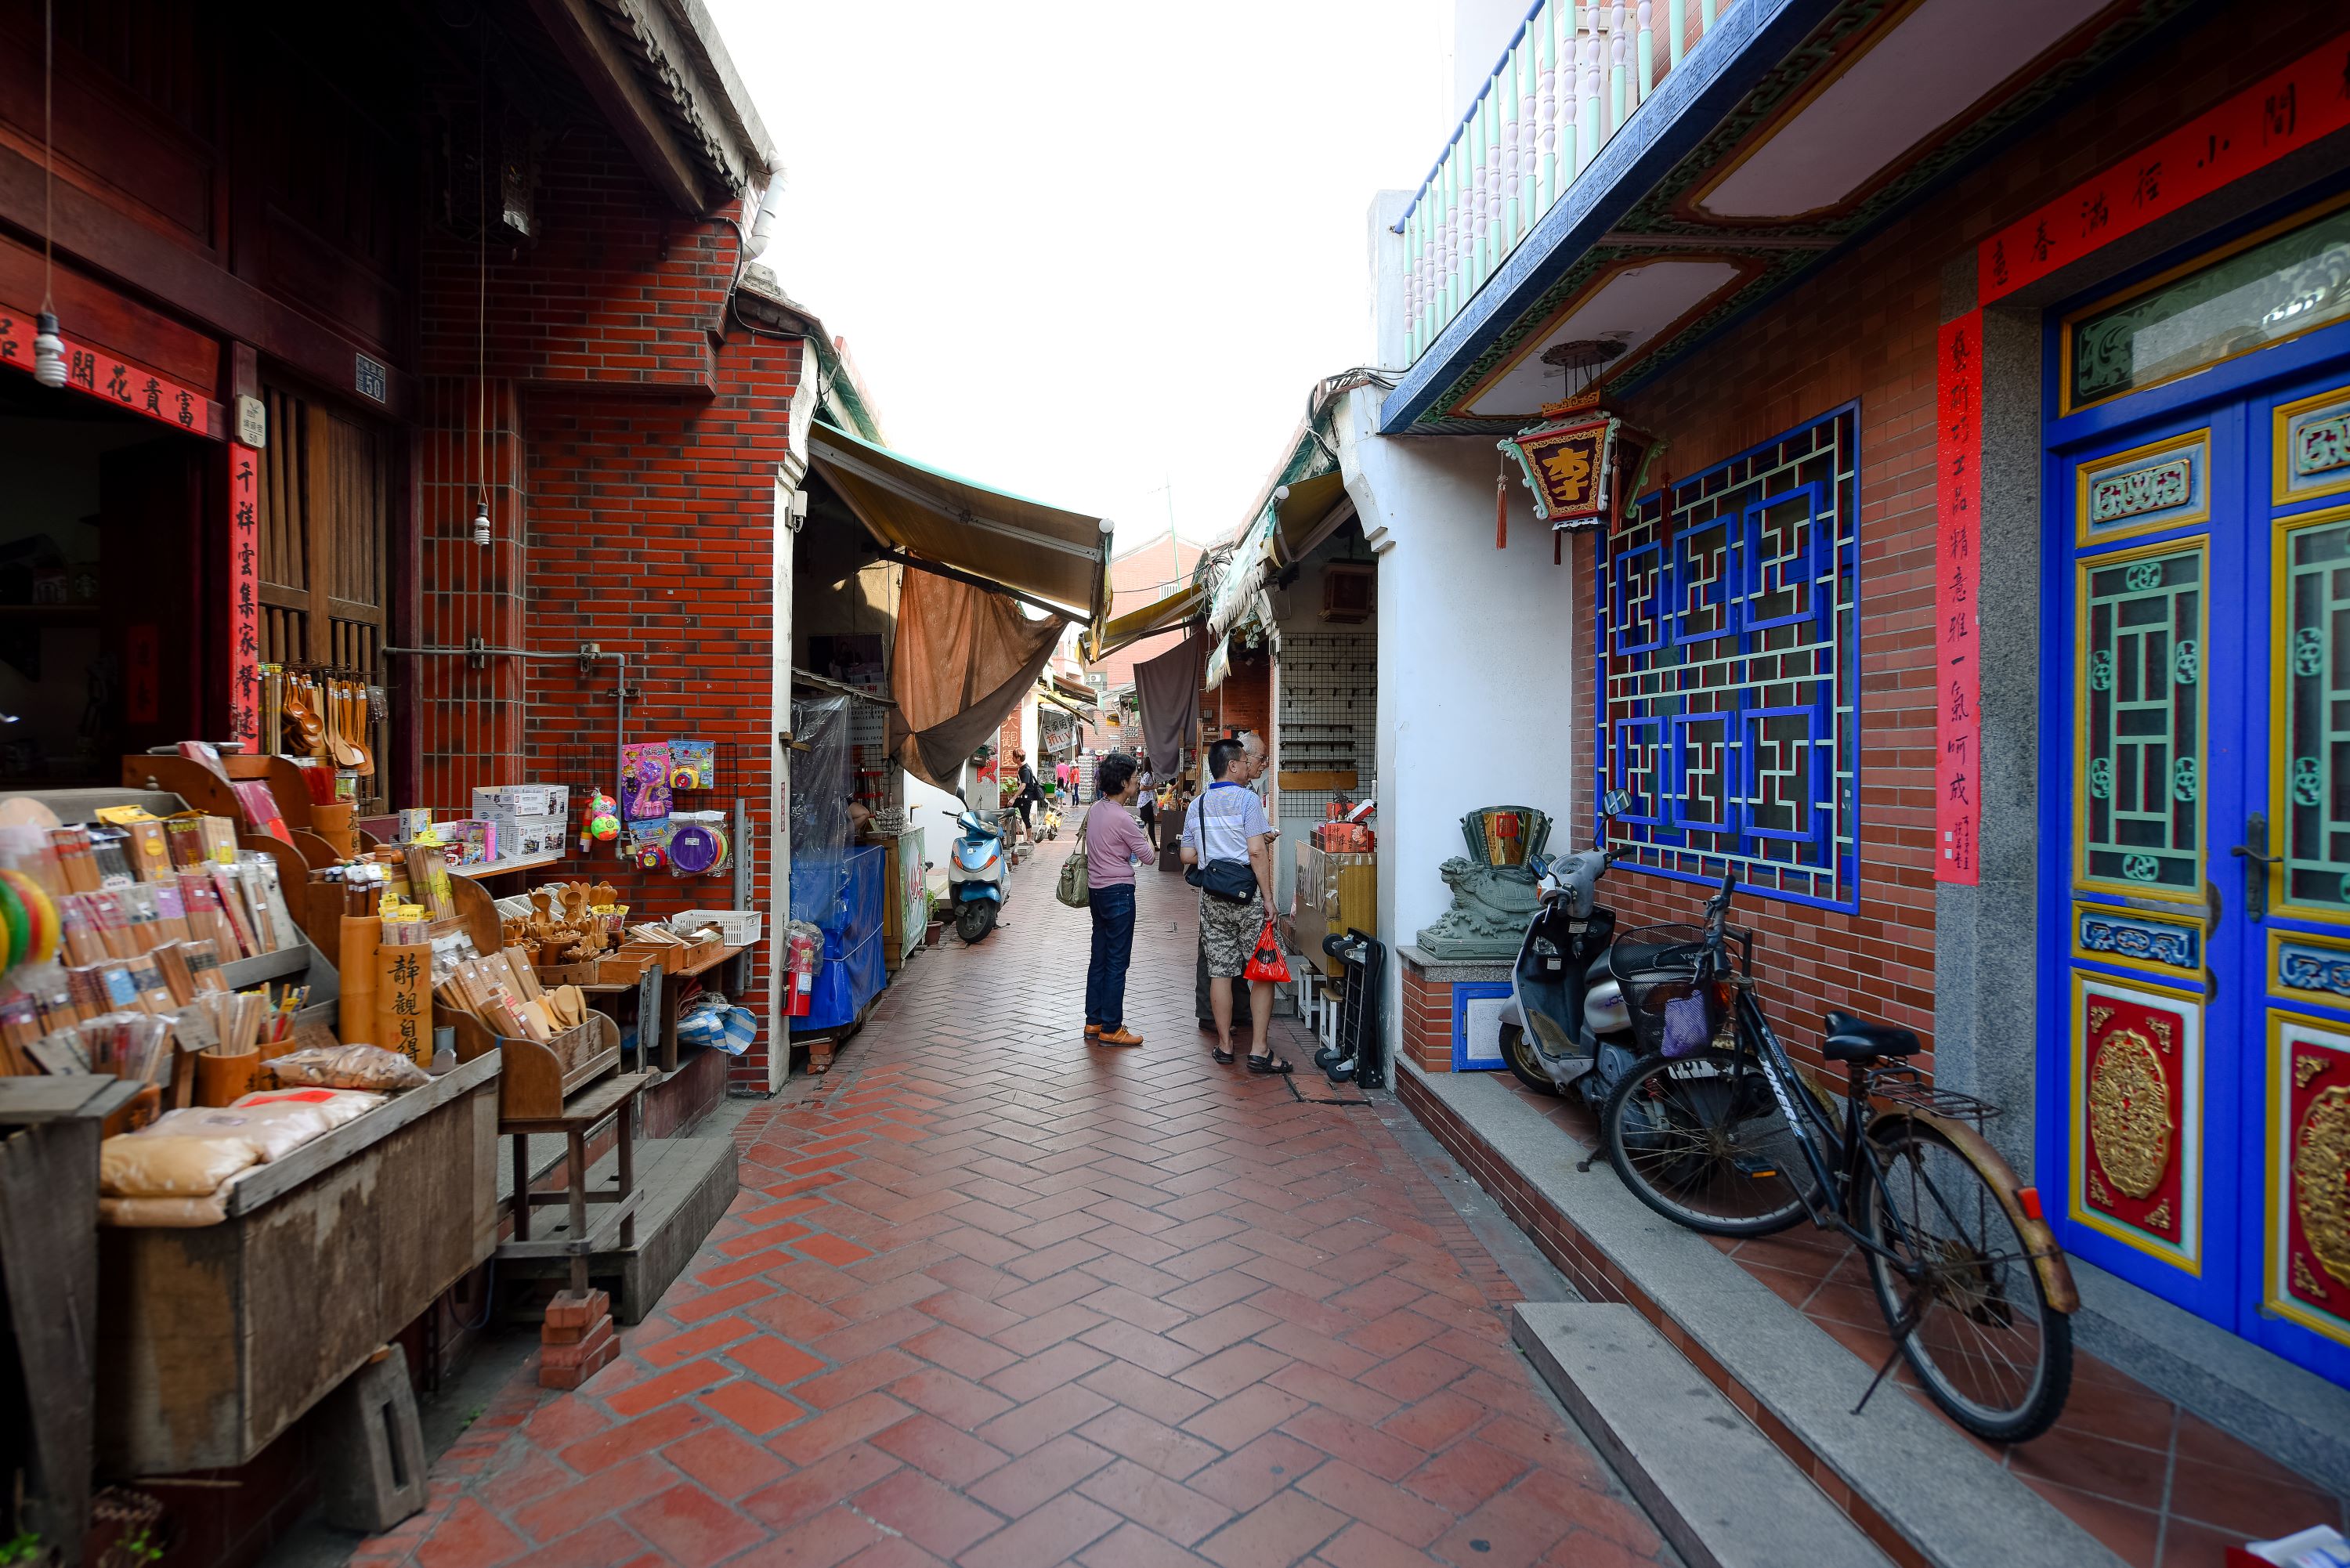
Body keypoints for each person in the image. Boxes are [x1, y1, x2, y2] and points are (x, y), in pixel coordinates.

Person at [1180, 737, 1288, 1074]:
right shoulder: (1248, 801)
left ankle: (1225, 1045)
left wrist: (1216, 851)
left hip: (1213, 897)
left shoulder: (1197, 805)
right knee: (1263, 971)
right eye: (1245, 761)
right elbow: (1256, 852)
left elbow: (1187, 856)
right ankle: (1259, 1050)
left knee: (1220, 973)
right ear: (1232, 765)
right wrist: (1269, 898)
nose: (1250, 767)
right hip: (1248, 896)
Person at [1082, 753, 1153, 1048]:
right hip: (1119, 893)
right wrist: (1144, 833)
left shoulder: (1096, 810)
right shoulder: (1124, 818)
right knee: (1117, 961)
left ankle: (1093, 1020)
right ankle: (1112, 1026)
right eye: (1134, 777)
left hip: (1097, 892)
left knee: (1099, 956)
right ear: (1123, 783)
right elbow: (1148, 857)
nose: (1137, 781)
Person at [1012, 749, 1041, 844]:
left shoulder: (1025, 770)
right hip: (1021, 797)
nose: (1012, 758)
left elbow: (1023, 786)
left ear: (1018, 758)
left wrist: (1013, 798)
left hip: (1026, 798)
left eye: (1014, 757)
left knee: (1025, 817)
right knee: (1008, 809)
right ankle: (1017, 828)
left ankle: (1029, 839)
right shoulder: (1022, 768)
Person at [1135, 760, 1158, 848]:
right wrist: (1153, 786)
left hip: (1148, 800)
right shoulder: (1147, 775)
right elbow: (1141, 787)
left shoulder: (1150, 774)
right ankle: (1139, 842)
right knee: (1143, 823)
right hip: (1145, 801)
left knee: (1150, 822)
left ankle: (1153, 844)